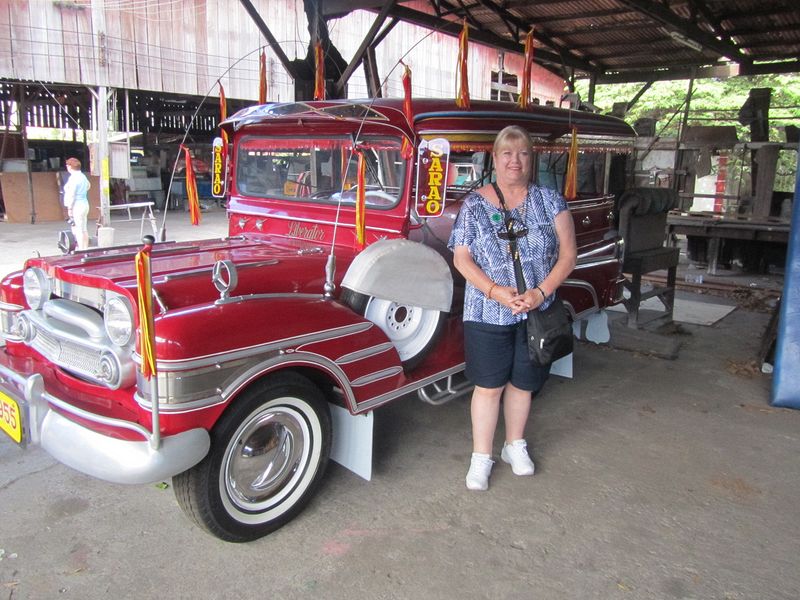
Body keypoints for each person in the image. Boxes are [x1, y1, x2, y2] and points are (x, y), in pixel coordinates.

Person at [448, 125, 577, 491]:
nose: (514, 161)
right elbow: (462, 258)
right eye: (507, 153)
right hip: (488, 310)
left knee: (523, 383)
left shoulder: (551, 201)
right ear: (495, 158)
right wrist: (494, 291)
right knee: (488, 385)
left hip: (537, 309)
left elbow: (568, 256)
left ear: (530, 159)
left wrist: (540, 292)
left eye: (521, 153)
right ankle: (481, 457)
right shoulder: (474, 204)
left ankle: (514, 445)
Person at [63, 157, 91, 250]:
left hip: (77, 205)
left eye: (67, 165)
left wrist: (69, 208)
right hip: (85, 203)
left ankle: (81, 249)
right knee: (84, 228)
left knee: (77, 229)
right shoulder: (83, 176)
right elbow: (88, 186)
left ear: (70, 167)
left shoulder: (73, 178)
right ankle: (85, 248)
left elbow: (71, 195)